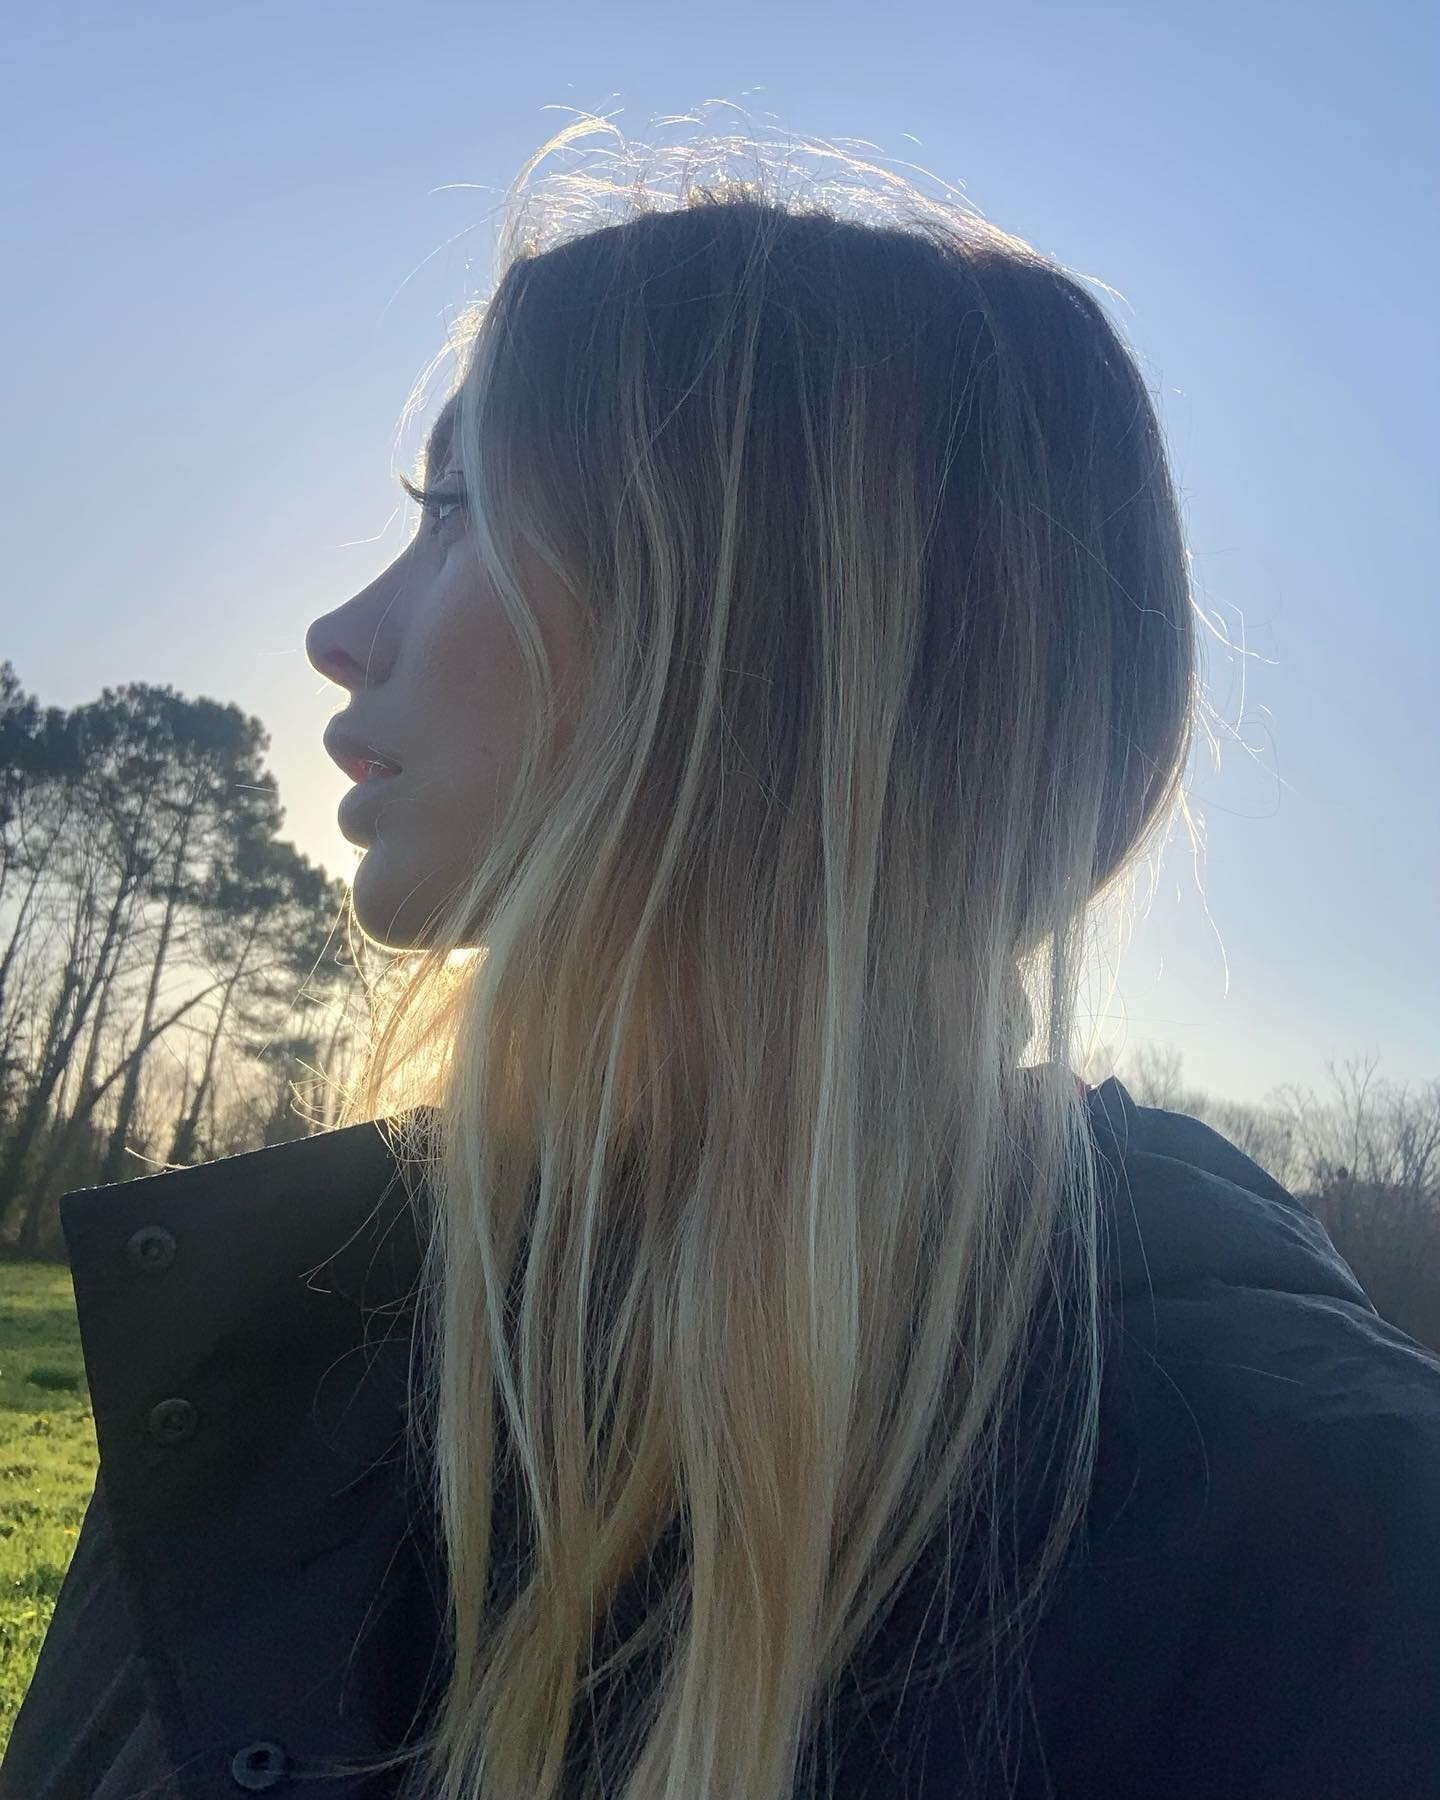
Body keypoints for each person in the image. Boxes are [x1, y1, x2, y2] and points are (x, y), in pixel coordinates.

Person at [5, 123, 1438, 1800]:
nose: (340, 634)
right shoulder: (266, 1387)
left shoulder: (1338, 1539)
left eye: (461, 511)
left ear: (762, 618)